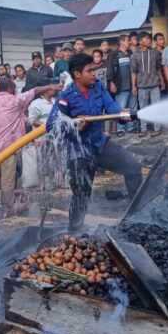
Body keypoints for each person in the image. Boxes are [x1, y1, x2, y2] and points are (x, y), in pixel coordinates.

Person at [46, 53, 141, 232]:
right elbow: (51, 124)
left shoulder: (97, 87)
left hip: (100, 145)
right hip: (79, 153)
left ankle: (137, 217)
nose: (94, 74)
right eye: (90, 71)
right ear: (77, 74)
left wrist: (122, 114)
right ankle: (74, 231)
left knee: (133, 167)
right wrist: (73, 124)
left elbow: (110, 107)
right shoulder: (66, 97)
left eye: (94, 70)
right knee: (82, 194)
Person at [0, 77, 60, 216]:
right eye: (14, 88)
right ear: (10, 89)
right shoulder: (16, 100)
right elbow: (35, 90)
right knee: (7, 179)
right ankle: (7, 207)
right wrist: (51, 86)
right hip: (8, 147)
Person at [131, 31, 162, 137]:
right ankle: (143, 129)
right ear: (140, 41)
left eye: (149, 38)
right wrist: (133, 86)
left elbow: (158, 68)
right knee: (143, 108)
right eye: (146, 38)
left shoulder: (154, 52)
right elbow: (134, 71)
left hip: (154, 85)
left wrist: (161, 80)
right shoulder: (135, 55)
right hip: (142, 86)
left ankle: (157, 129)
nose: (149, 40)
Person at [106, 34, 135, 135]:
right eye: (128, 40)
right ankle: (120, 129)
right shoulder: (114, 54)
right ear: (121, 42)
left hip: (132, 86)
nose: (130, 42)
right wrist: (111, 83)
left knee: (132, 107)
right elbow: (109, 69)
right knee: (121, 108)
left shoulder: (131, 53)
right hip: (120, 86)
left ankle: (131, 127)